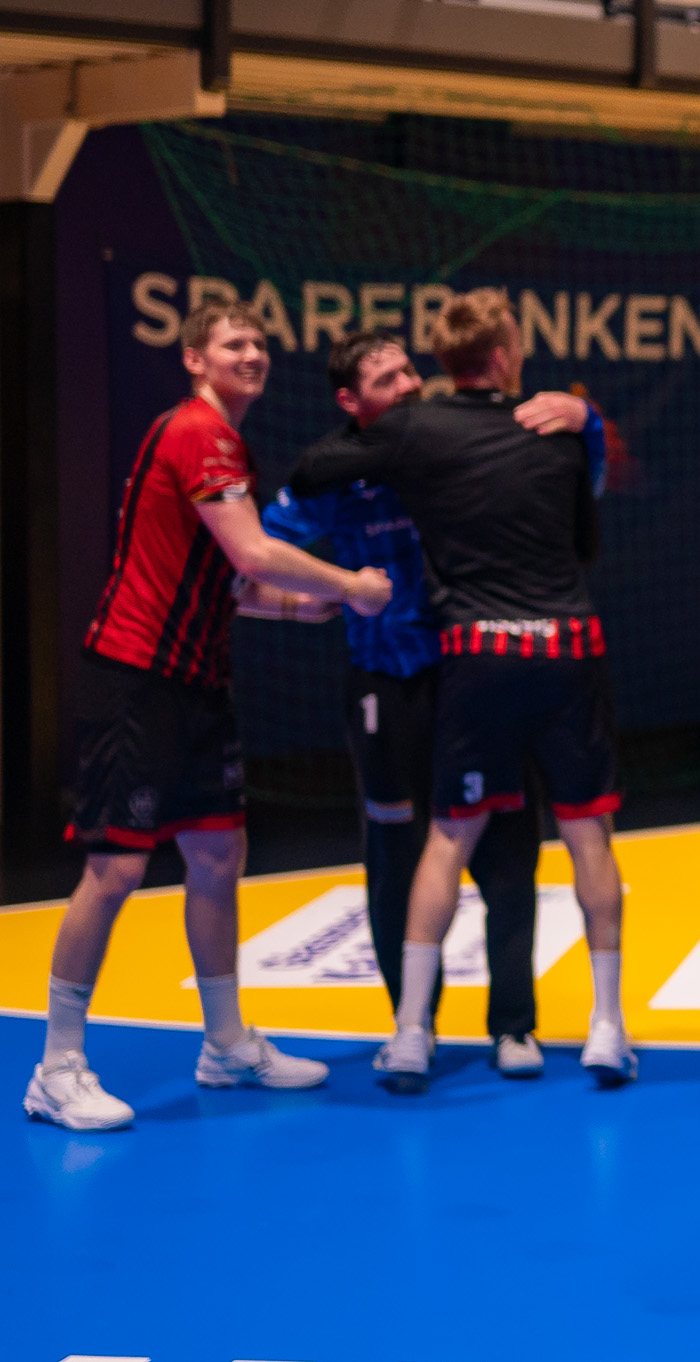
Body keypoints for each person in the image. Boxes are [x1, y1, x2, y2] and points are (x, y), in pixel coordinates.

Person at [24, 300, 392, 1132]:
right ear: (195, 358)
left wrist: (304, 607)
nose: (252, 354)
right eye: (234, 343)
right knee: (115, 870)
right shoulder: (200, 433)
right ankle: (57, 1066)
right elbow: (254, 553)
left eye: (260, 343)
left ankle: (225, 1043)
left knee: (219, 855)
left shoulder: (223, 443)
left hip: (197, 681)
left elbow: (233, 579)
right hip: (137, 677)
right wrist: (351, 585)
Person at [288, 288, 631, 1095]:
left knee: (448, 840)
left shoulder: (416, 429)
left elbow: (309, 472)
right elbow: (585, 541)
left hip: (475, 656)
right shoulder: (554, 428)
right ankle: (607, 1027)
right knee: (587, 836)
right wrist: (584, 421)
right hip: (563, 647)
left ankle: (412, 1031)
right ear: (506, 353)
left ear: (441, 361)